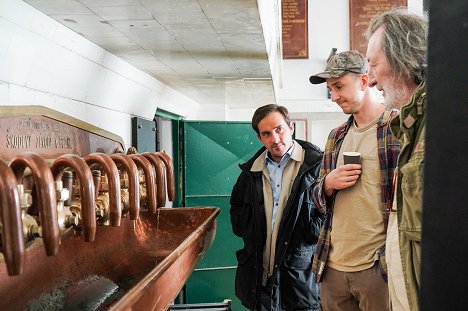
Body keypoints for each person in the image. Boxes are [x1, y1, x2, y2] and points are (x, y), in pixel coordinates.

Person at [309, 51, 400, 310]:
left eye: (339, 86)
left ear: (363, 81)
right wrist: (327, 184)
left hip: (377, 269)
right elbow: (315, 198)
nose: (334, 96)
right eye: (330, 89)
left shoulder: (397, 129)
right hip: (332, 268)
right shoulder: (335, 137)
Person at [230, 104, 324, 311]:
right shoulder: (251, 171)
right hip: (259, 279)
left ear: (291, 127)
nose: (274, 138)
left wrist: (310, 232)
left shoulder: (318, 166)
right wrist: (247, 229)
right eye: (266, 133)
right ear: (260, 138)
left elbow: (331, 212)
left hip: (300, 278)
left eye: (279, 129)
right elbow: (236, 206)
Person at [365, 8, 428, 311]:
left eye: (374, 64)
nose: (372, 79)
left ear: (403, 56)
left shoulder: (443, 119)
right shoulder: (409, 128)